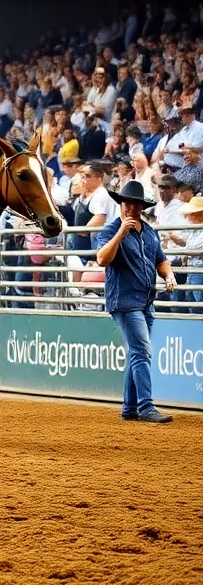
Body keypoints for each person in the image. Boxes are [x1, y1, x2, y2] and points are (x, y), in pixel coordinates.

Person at [94, 180, 176, 423]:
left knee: (136, 353)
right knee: (141, 351)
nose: (129, 207)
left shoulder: (150, 232)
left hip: (144, 301)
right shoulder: (111, 230)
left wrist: (168, 275)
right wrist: (121, 233)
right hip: (125, 301)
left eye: (134, 204)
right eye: (126, 203)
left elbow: (160, 260)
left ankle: (130, 408)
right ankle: (145, 406)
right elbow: (102, 259)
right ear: (121, 204)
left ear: (141, 207)